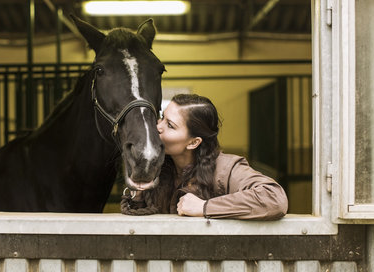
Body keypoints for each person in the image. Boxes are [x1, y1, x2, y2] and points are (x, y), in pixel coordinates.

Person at [121, 93, 288, 219]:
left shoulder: (225, 169)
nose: (158, 126)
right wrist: (137, 193)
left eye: (170, 125)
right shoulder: (158, 166)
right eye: (161, 117)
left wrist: (205, 207)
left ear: (193, 143)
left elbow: (274, 198)